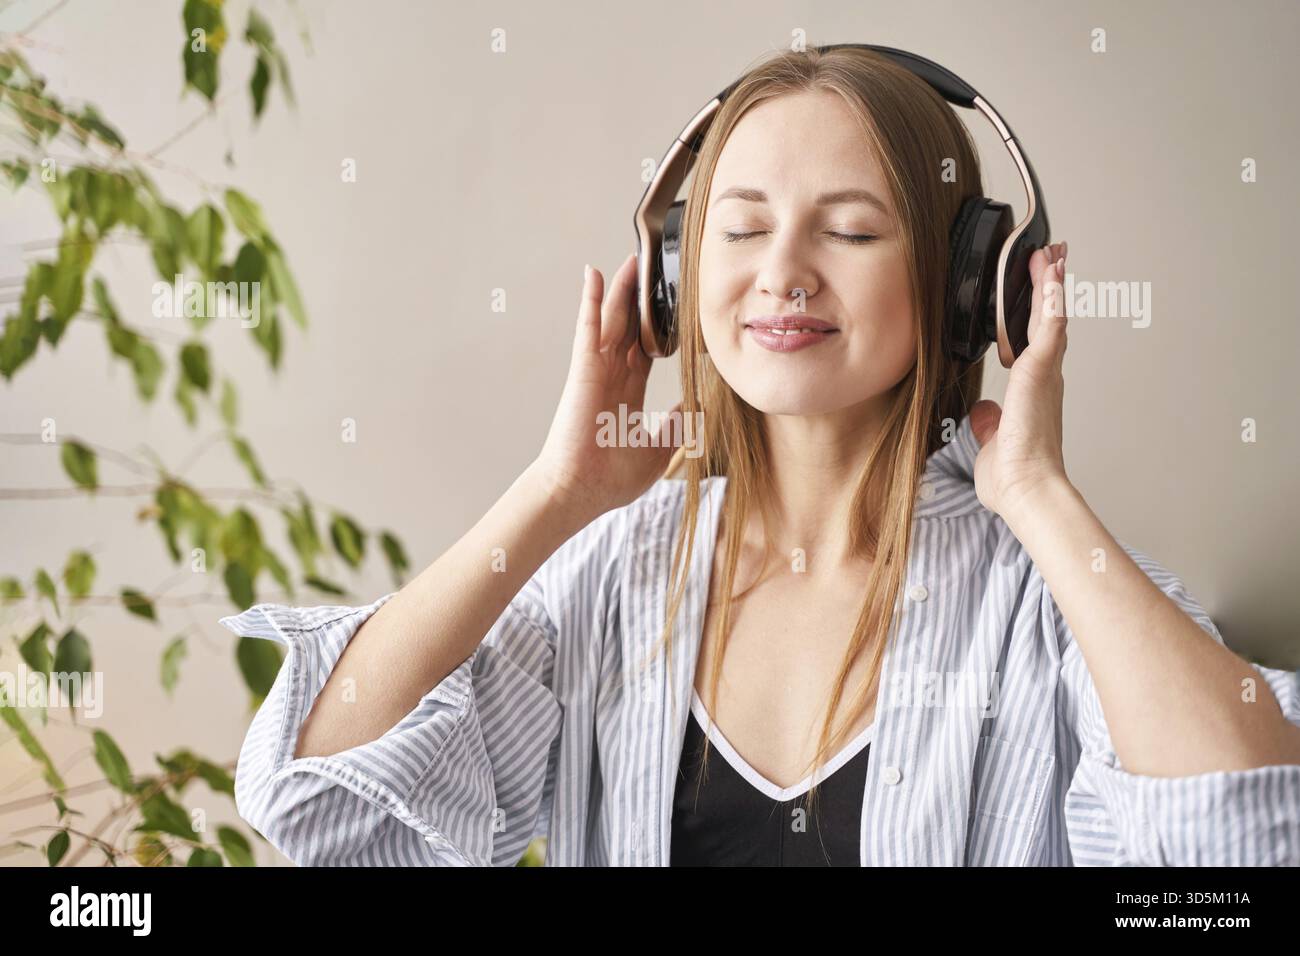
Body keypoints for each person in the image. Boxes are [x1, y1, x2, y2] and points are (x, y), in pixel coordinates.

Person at [220, 46, 1300, 866]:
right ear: (672, 279)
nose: (782, 271)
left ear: (970, 283)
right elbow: (317, 799)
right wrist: (555, 495)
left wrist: (1039, 497)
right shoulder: (606, 577)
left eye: (851, 230)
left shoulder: (1056, 597)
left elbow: (1249, 841)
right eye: (739, 229)